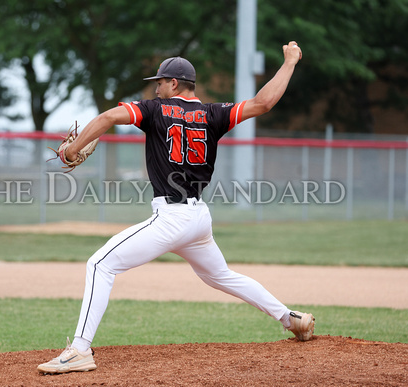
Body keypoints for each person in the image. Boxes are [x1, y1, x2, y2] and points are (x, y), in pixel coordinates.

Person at [37, 41, 314, 374]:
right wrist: (290, 62)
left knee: (99, 265)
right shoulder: (214, 114)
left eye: (159, 82)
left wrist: (71, 151)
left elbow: (110, 116)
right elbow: (263, 102)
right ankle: (291, 318)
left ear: (174, 84)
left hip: (171, 217)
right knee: (221, 275)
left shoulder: (155, 110)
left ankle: (80, 350)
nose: (156, 89)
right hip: (198, 219)